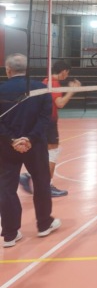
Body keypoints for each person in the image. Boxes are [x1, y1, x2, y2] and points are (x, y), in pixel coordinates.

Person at [0, 53, 61, 248]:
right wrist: (29, 139)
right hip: (35, 146)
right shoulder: (41, 89)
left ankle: (10, 234)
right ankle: (44, 224)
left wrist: (12, 140)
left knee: (6, 187)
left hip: (6, 146)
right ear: (27, 69)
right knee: (41, 183)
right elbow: (45, 119)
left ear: (8, 70)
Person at [19, 60, 81, 198]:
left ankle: (28, 175)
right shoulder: (54, 83)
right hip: (49, 123)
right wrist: (72, 91)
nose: (67, 76)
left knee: (45, 154)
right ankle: (47, 186)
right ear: (63, 71)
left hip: (41, 121)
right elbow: (60, 104)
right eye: (67, 73)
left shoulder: (45, 80)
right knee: (53, 152)